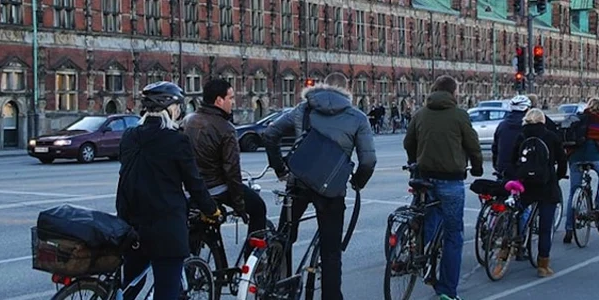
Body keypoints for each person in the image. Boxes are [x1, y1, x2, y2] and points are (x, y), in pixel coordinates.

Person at [262, 74, 377, 300]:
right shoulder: (358, 117)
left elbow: (270, 134)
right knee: (331, 251)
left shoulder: (303, 110)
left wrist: (280, 169)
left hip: (298, 184)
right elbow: (368, 161)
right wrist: (357, 182)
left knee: (284, 236)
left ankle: (276, 284)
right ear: (347, 90)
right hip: (331, 191)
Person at [115, 81, 221, 300]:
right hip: (165, 229)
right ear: (172, 108)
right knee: (167, 291)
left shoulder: (129, 136)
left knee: (130, 286)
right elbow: (194, 183)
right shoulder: (176, 140)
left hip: (131, 224)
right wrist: (212, 210)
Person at [404, 75, 483, 300]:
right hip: (451, 180)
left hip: (424, 177)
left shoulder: (420, 113)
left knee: (427, 219)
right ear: (453, 93)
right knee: (453, 235)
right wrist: (476, 167)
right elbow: (473, 145)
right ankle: (447, 290)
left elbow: (408, 142)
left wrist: (414, 161)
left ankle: (419, 257)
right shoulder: (460, 115)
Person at [181, 79, 267, 254]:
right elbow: (232, 172)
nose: (233, 102)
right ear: (219, 101)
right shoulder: (226, 128)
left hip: (194, 188)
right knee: (258, 208)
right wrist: (240, 206)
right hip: (216, 188)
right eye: (231, 97)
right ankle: (250, 262)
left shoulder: (188, 120)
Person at [506, 109, 567, 277]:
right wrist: (559, 176)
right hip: (546, 185)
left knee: (517, 213)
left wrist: (519, 174)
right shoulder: (551, 136)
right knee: (545, 228)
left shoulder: (521, 136)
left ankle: (508, 247)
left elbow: (513, 160)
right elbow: (562, 160)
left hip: (526, 185)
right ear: (542, 121)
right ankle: (542, 265)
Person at [563, 97, 599, 244]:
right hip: (593, 156)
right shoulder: (597, 120)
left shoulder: (578, 118)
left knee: (573, 191)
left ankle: (569, 229)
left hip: (574, 158)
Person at [492, 95, 558, 178]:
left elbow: (495, 148)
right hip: (526, 171)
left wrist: (498, 166)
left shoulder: (502, 125)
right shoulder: (531, 126)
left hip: (504, 170)